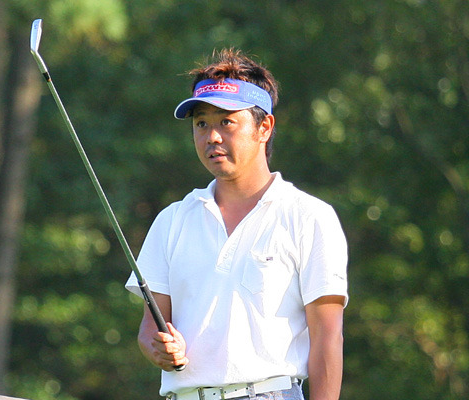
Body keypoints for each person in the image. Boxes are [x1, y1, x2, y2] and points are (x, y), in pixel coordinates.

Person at [125, 48, 348, 400]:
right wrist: (159, 348)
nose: (212, 136)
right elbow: (150, 327)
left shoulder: (308, 217)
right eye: (201, 124)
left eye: (226, 122)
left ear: (264, 127)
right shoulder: (172, 220)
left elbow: (327, 337)